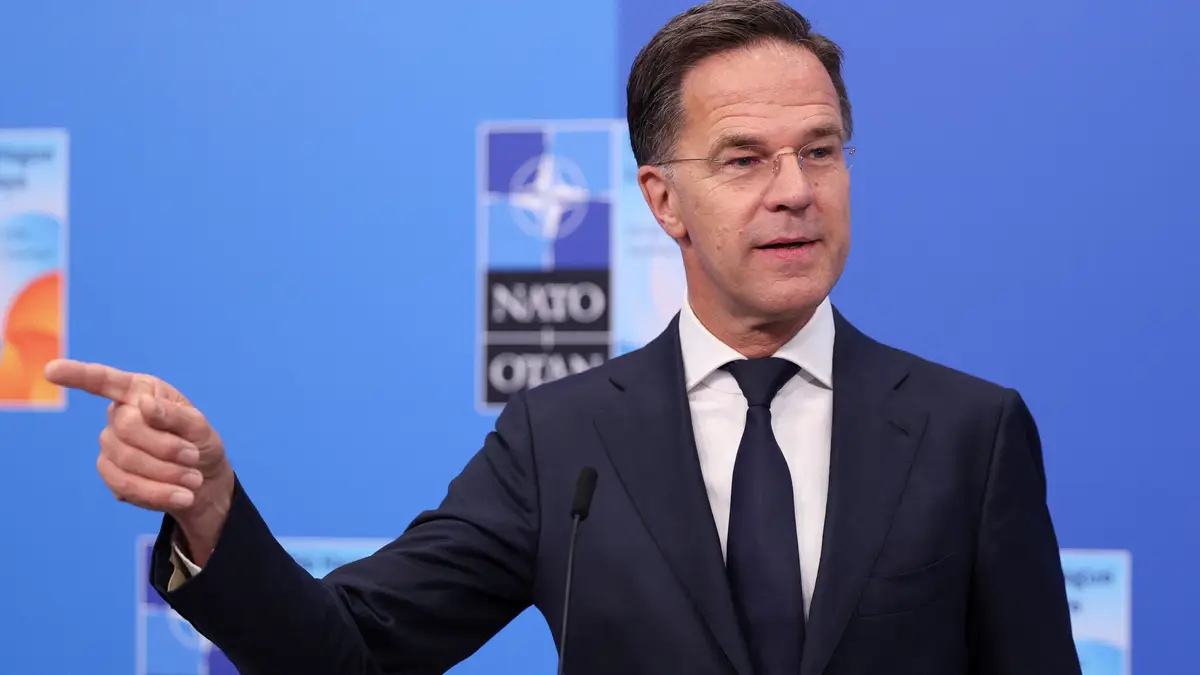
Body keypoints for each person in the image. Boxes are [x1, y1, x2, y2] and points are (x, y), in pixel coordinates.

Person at [47, 1, 1083, 673]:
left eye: (821, 151)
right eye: (744, 160)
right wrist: (213, 513)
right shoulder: (564, 441)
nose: (795, 191)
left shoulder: (969, 431)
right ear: (662, 200)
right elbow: (349, 653)